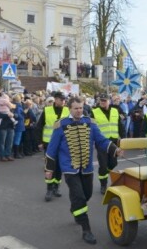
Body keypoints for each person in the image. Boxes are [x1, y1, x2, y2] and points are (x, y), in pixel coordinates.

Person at [45, 97, 123, 245]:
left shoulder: (90, 123)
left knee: (85, 195)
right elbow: (52, 149)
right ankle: (86, 230)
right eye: (76, 108)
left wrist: (115, 149)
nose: (79, 111)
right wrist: (49, 169)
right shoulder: (60, 125)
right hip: (69, 169)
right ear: (69, 109)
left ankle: (76, 207)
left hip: (87, 168)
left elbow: (101, 140)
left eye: (81, 108)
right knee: (79, 196)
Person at [36, 91, 70, 201]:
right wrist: (39, 142)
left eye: (64, 99)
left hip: (63, 143)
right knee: (49, 167)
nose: (63, 101)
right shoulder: (47, 110)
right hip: (49, 143)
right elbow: (39, 127)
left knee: (59, 167)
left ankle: (56, 187)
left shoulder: (67, 110)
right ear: (55, 100)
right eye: (61, 99)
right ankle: (49, 189)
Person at [90, 94, 122, 194]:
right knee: (103, 165)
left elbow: (120, 125)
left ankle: (105, 172)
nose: (102, 102)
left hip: (114, 142)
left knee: (113, 163)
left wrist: (124, 139)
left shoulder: (115, 111)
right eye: (101, 101)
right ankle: (103, 185)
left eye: (104, 100)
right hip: (101, 143)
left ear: (109, 101)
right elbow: (90, 128)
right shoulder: (94, 112)